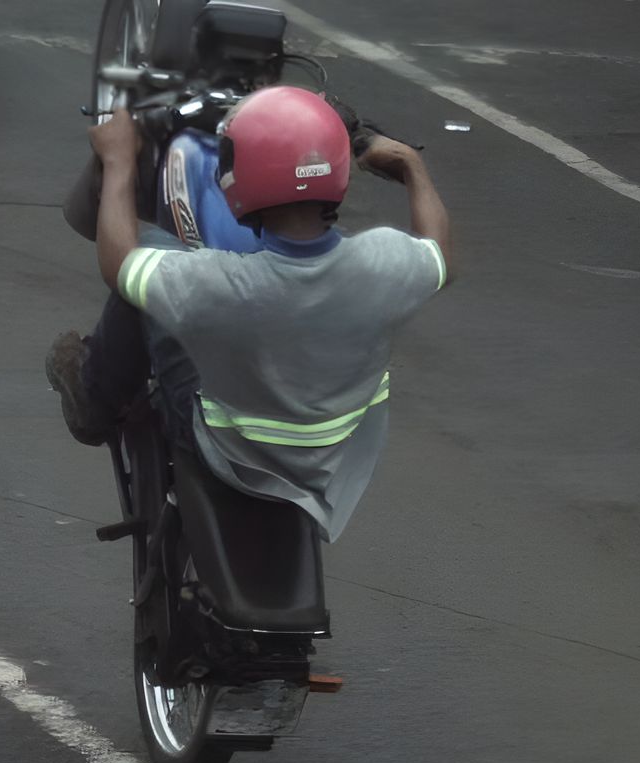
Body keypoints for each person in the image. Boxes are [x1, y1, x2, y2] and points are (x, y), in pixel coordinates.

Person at [45, 85, 452, 541]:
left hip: (229, 455)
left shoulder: (220, 285)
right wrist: (413, 168)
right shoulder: (385, 261)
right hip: (335, 460)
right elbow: (438, 253)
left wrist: (119, 160)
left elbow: (118, 264)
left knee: (149, 267)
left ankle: (94, 399)